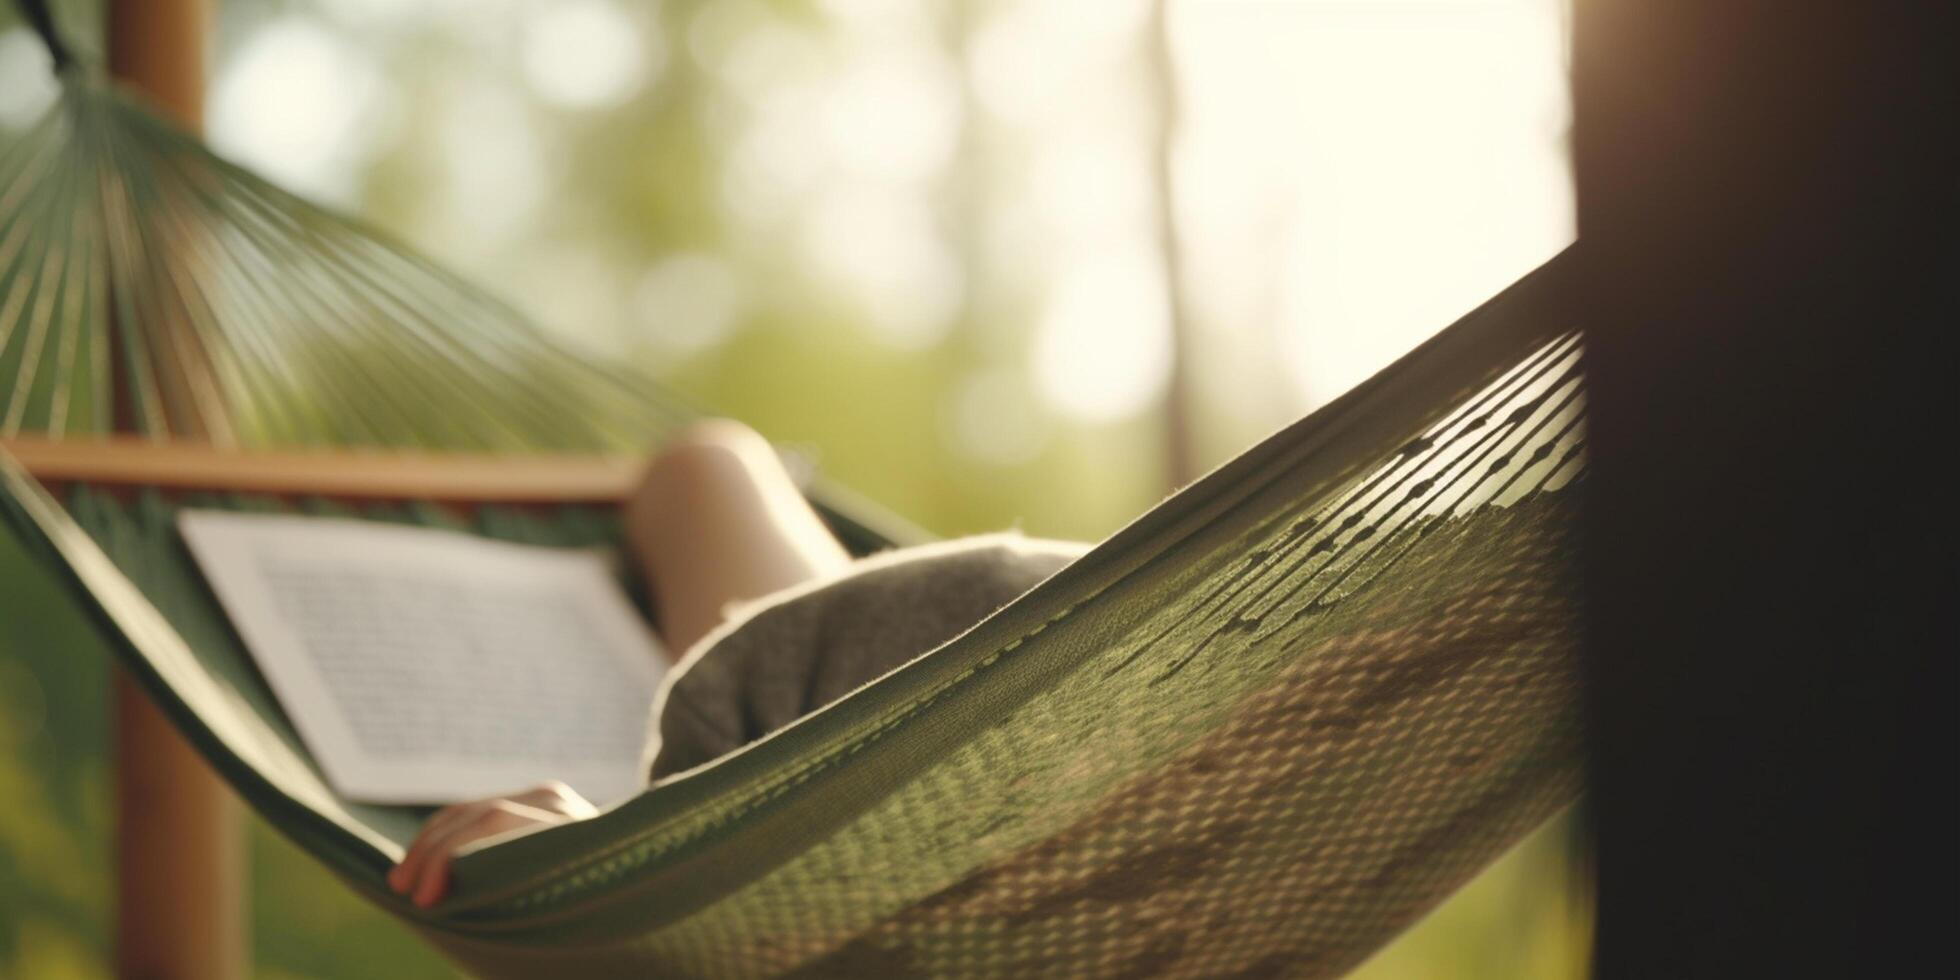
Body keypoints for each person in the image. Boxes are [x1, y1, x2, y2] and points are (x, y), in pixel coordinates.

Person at [387, 420, 1083, 908]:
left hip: (897, 742)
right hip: (1060, 685)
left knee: (707, 468)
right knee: (708, 470)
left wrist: (637, 870)